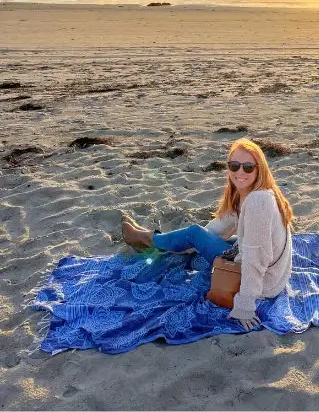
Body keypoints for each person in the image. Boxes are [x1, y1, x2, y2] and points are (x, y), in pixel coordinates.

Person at [121, 138, 294, 332]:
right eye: (234, 165)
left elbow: (256, 259)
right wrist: (196, 240)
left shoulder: (258, 201)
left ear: (259, 168)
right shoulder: (255, 192)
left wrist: (245, 306)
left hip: (265, 283)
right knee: (195, 234)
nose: (240, 172)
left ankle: (147, 239)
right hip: (274, 276)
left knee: (194, 233)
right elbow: (222, 225)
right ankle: (161, 239)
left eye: (248, 167)